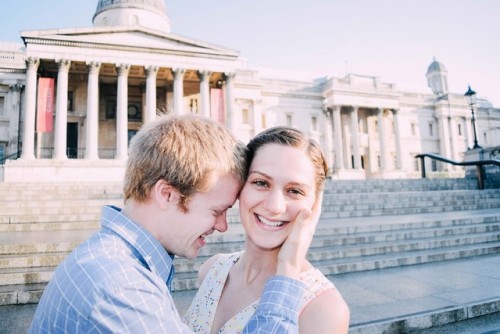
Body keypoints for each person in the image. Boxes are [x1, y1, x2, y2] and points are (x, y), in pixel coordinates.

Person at [28, 114, 320, 333]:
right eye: (217, 210)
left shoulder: (108, 259)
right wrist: (288, 275)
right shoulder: (123, 289)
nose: (222, 226)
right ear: (167, 194)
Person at [183, 126, 351, 333]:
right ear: (240, 188)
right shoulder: (211, 270)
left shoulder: (324, 310)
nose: (274, 206)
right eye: (261, 183)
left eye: (294, 191)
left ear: (315, 204)